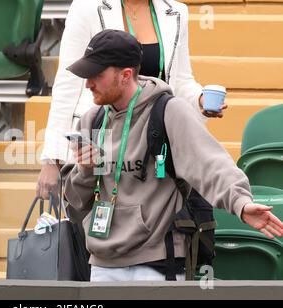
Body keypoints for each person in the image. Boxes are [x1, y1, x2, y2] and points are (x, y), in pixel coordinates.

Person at [63, 29, 283, 282]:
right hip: (102, 264)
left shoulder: (169, 111)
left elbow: (210, 164)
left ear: (125, 76)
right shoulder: (92, 120)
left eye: (96, 76)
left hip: (157, 262)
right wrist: (86, 170)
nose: (88, 84)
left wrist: (241, 203)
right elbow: (76, 200)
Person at [37, 0, 227, 199]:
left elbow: (180, 80)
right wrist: (53, 158)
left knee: (155, 215)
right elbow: (67, 84)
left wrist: (200, 100)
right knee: (99, 215)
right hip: (104, 135)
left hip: (154, 138)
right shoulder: (86, 7)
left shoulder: (178, 11)